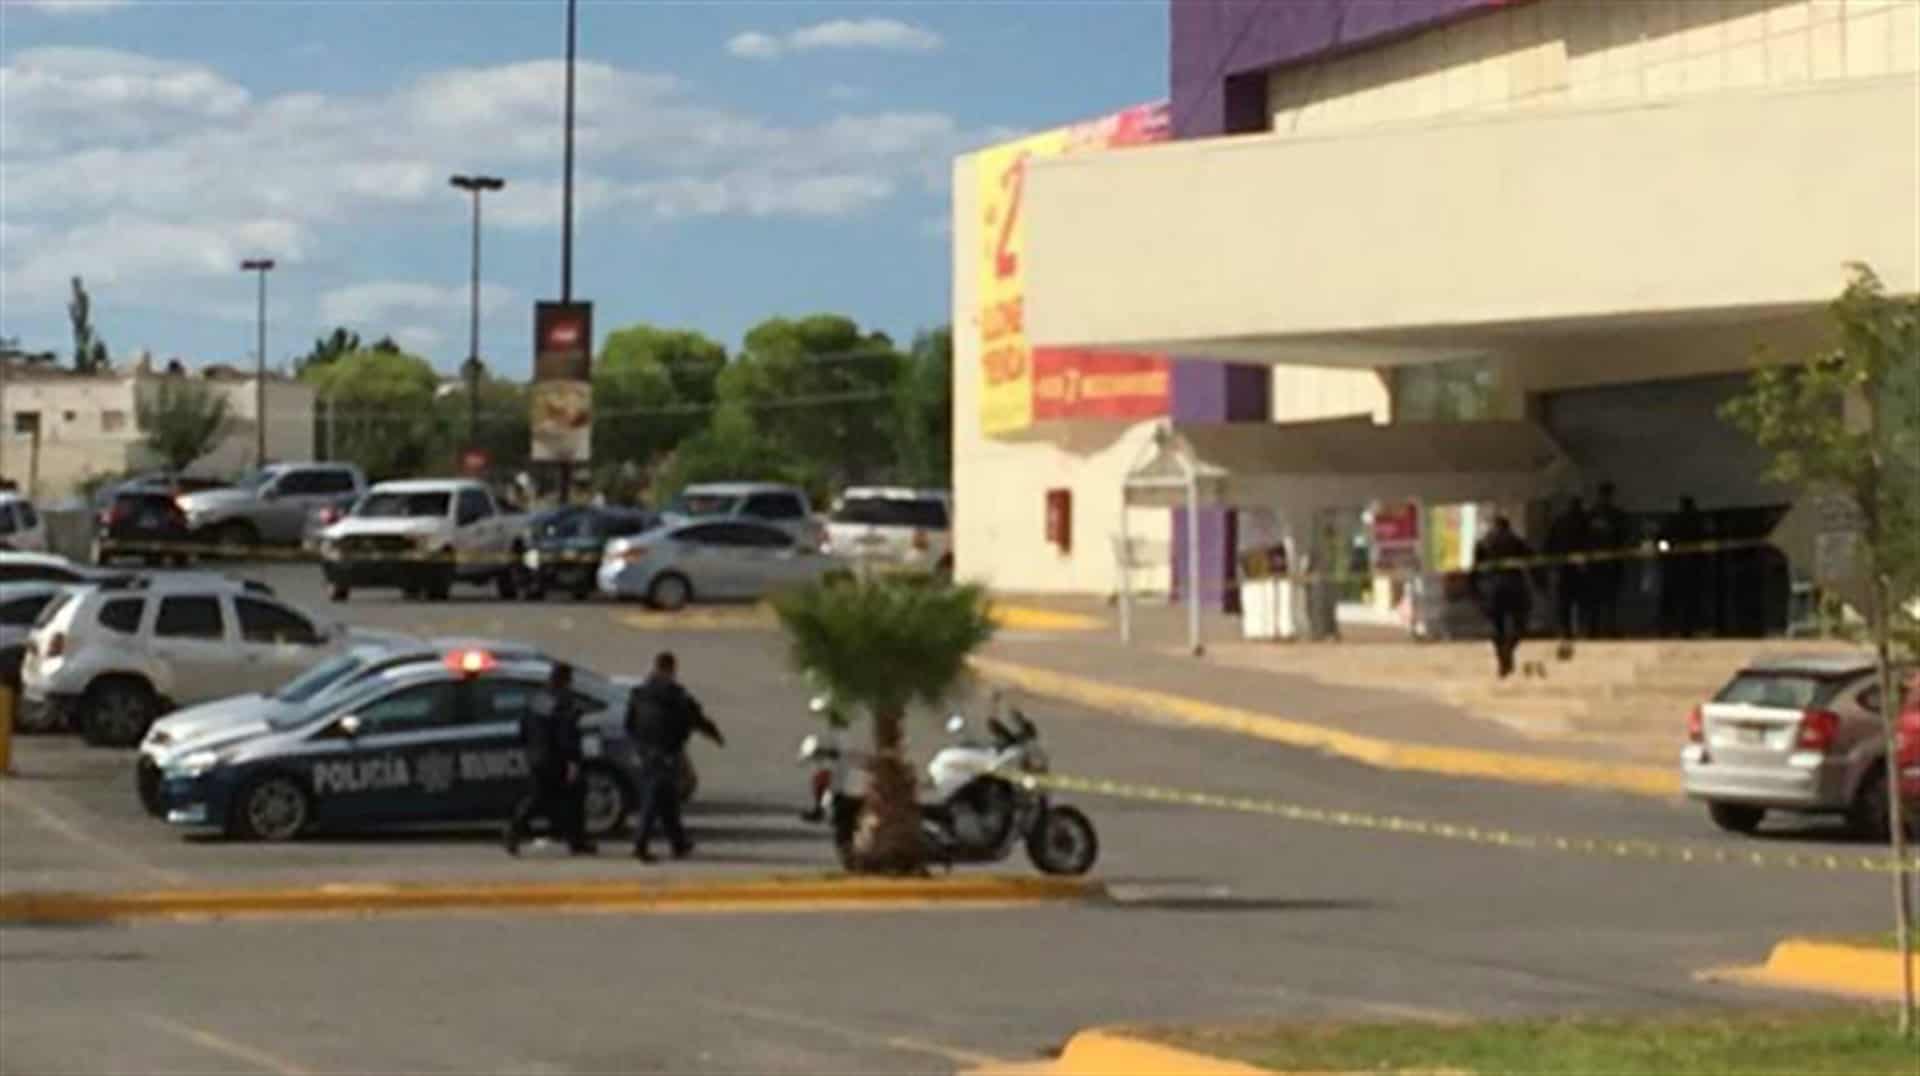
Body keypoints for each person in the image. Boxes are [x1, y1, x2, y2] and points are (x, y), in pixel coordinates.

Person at [627, 651, 725, 862]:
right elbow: (695, 718)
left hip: (647, 753)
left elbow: (630, 724)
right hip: (666, 753)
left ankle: (678, 843)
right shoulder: (675, 696)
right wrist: (715, 735)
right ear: (671, 670)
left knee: (667, 800)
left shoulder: (639, 693)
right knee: (653, 800)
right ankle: (640, 845)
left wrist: (638, 748)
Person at [505, 663, 595, 856]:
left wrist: (530, 749)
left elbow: (523, 727)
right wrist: (572, 761)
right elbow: (566, 733)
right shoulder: (564, 701)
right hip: (556, 758)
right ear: (567, 680)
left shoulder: (538, 698)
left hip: (537, 756)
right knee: (572, 798)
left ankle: (515, 832)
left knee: (540, 797)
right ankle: (576, 841)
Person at [1471, 516, 1536, 678]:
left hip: (1493, 588)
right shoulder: (1515, 540)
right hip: (1514, 586)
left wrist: (1475, 591)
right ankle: (1508, 651)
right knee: (1520, 624)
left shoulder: (1484, 542)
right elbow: (1531, 558)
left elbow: (1475, 570)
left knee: (1497, 628)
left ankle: (1503, 660)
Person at [1544, 495, 1590, 652]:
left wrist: (1552, 564)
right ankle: (1580, 631)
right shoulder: (1584, 522)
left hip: (1563, 569)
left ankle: (1566, 632)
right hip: (1579, 569)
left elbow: (1549, 545)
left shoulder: (1560, 522)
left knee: (1565, 603)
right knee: (1580, 602)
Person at [1585, 482, 1631, 638]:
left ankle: (1604, 628)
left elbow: (1623, 538)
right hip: (1601, 564)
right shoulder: (1597, 515)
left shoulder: (1610, 516)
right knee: (1600, 599)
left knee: (1607, 598)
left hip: (1607, 564)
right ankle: (1597, 628)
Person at [1660, 496, 1707, 638]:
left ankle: (1683, 628)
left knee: (1685, 599)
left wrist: (1666, 554)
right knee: (1681, 598)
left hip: (1685, 566)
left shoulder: (1692, 523)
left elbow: (1663, 542)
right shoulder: (1679, 523)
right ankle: (1677, 627)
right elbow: (1663, 542)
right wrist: (1666, 554)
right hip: (1680, 566)